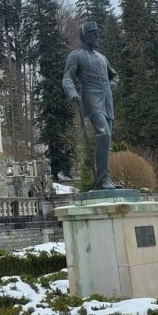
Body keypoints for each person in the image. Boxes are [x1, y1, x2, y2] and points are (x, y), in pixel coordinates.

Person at [62, 20, 119, 190]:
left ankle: (106, 177)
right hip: (91, 98)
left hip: (107, 100)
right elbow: (67, 78)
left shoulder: (102, 58)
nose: (97, 36)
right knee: (104, 134)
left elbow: (115, 76)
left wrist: (112, 85)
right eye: (93, 34)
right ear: (85, 36)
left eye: (97, 33)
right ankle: (103, 180)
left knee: (107, 141)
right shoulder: (76, 55)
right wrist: (72, 93)